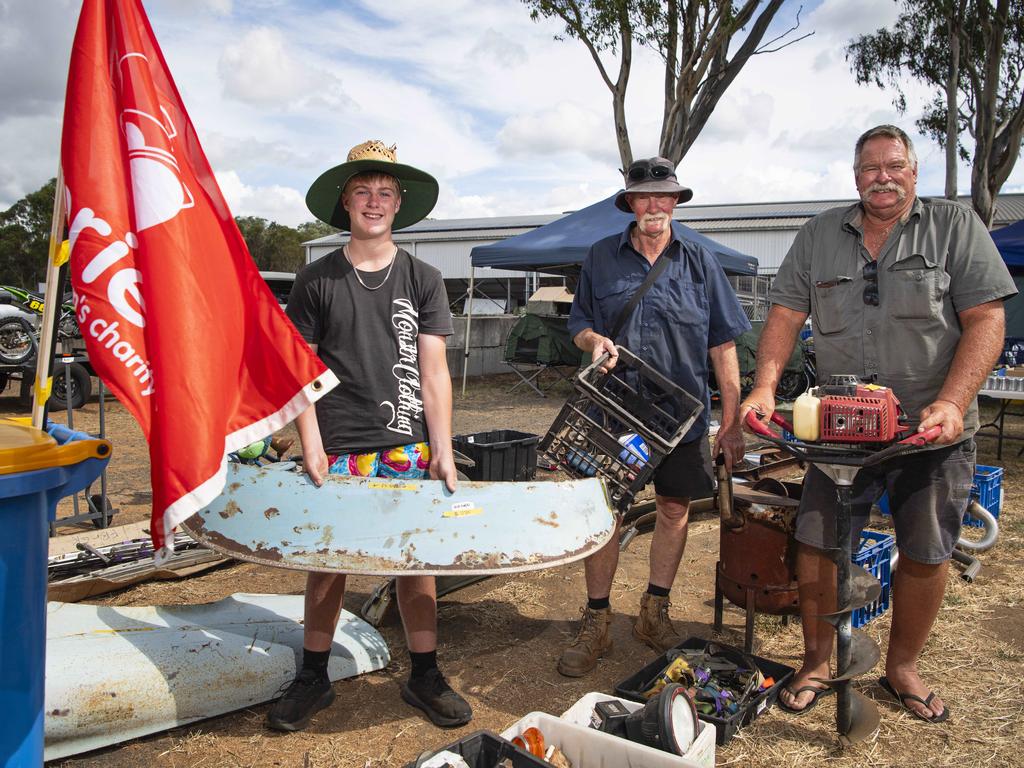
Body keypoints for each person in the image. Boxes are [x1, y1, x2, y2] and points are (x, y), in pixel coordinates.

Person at [740, 125, 1016, 722]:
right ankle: (817, 659)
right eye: (870, 167)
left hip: (929, 429)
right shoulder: (819, 234)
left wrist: (951, 401)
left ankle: (902, 668)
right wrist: (764, 385)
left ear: (913, 172)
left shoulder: (955, 226)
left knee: (926, 548)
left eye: (894, 166)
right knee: (816, 540)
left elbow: (986, 320)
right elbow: (786, 314)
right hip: (839, 432)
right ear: (855, 174)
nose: (882, 177)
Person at [267, 140, 471, 731]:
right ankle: (313, 674)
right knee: (328, 559)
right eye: (363, 191)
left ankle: (425, 673)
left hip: (408, 445)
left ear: (399, 204)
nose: (374, 202)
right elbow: (300, 368)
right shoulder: (316, 278)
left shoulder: (424, 277)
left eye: (384, 192)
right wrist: (309, 443)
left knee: (416, 560)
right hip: (338, 446)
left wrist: (444, 449)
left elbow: (433, 372)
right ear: (345, 203)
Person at [559, 156, 751, 676]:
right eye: (644, 197)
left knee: (673, 510)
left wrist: (730, 424)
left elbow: (724, 346)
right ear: (630, 203)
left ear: (675, 202)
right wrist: (593, 339)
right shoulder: (601, 257)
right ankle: (596, 621)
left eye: (663, 196)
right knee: (606, 514)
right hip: (614, 411)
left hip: (679, 416)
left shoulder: (700, 260)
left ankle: (653, 612)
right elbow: (578, 323)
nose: (654, 206)